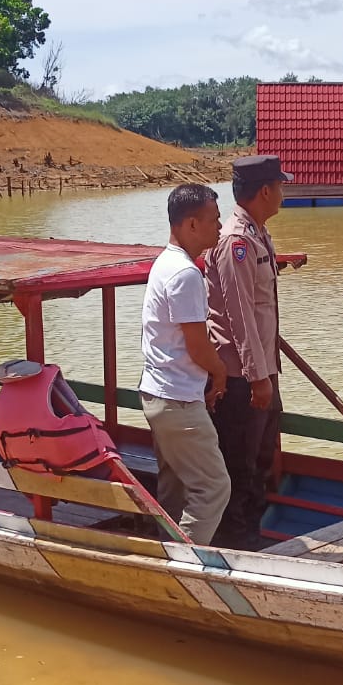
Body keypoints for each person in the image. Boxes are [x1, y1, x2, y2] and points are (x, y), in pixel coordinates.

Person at [205, 154, 292, 551]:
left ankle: (251, 540)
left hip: (260, 372)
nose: (283, 192)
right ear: (264, 191)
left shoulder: (257, 234)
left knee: (258, 462)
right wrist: (258, 377)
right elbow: (239, 316)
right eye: (280, 186)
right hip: (242, 378)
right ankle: (235, 547)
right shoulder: (236, 242)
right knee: (239, 467)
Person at [140, 183, 231, 544]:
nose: (220, 227)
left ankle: (165, 551)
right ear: (192, 225)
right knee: (213, 487)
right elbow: (197, 345)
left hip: (157, 394)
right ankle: (184, 565)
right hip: (178, 401)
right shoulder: (186, 274)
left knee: (175, 489)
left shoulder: (165, 263)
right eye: (214, 219)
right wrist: (220, 371)